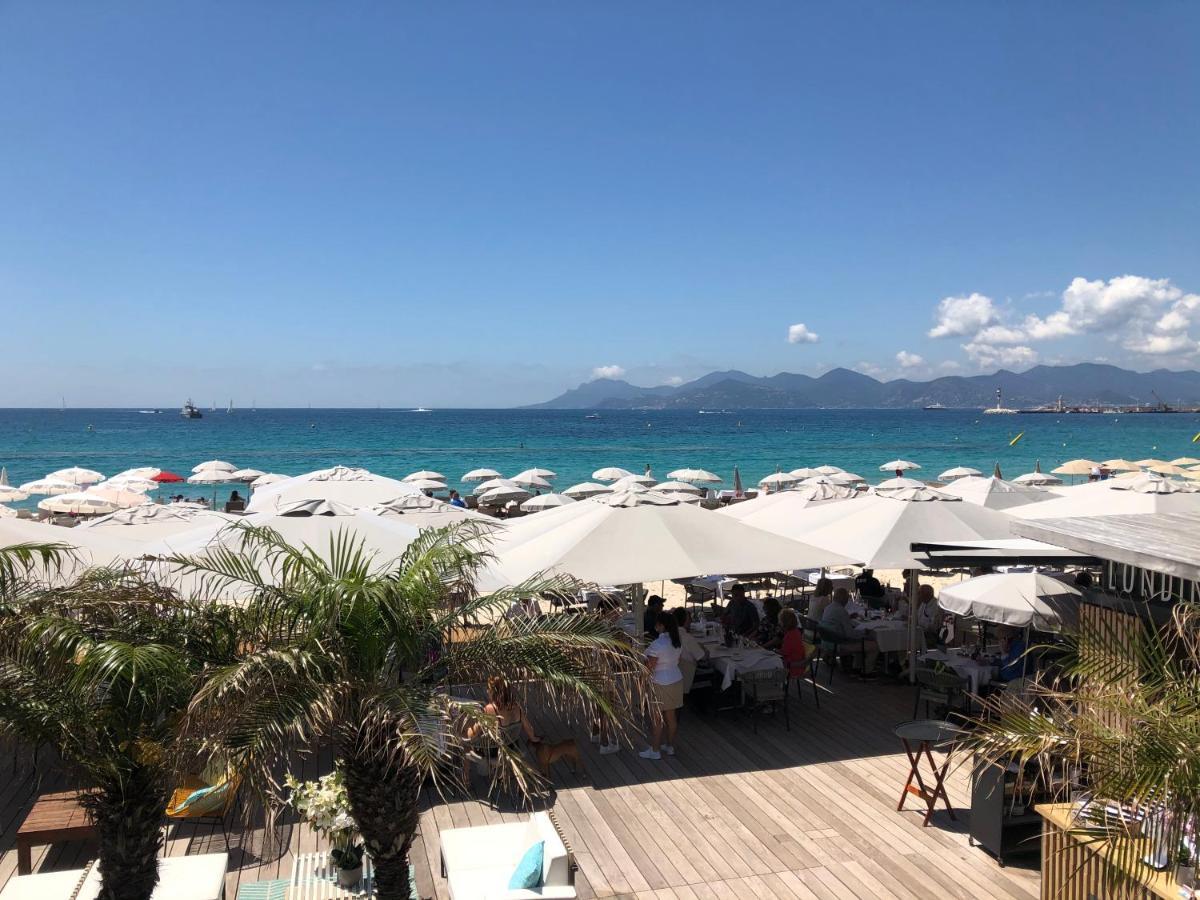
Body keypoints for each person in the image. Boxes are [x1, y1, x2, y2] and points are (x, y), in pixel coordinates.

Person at [463, 676, 540, 780]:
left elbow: (472, 735)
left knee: (465, 742)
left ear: (493, 692)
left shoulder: (488, 709)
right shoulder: (516, 707)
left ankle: (465, 779)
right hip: (511, 747)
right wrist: (534, 739)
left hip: (493, 751)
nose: (487, 691)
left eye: (489, 689)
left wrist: (465, 730)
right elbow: (529, 729)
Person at [641, 612, 684, 760]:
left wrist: (641, 677)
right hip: (676, 680)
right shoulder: (677, 641)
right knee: (671, 716)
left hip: (660, 682)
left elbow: (650, 665)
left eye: (657, 624)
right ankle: (670, 746)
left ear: (661, 625)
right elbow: (678, 660)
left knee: (657, 718)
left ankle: (655, 749)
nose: (655, 626)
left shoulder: (657, 644)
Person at [820, 588, 880, 678]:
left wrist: (848, 618)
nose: (847, 601)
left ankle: (856, 668)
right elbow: (850, 634)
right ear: (843, 599)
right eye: (847, 599)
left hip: (827, 643)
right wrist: (865, 632)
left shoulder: (828, 608)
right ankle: (866, 672)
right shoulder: (841, 610)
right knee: (875, 645)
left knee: (860, 639)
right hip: (837, 645)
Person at [672, 607, 706, 693]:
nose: (691, 621)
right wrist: (705, 650)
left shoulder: (670, 634)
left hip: (675, 673)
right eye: (689, 619)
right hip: (688, 674)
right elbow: (703, 657)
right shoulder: (687, 637)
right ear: (685, 621)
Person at [777, 608, 808, 682]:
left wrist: (775, 651)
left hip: (792, 666)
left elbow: (785, 652)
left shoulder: (789, 636)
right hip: (798, 662)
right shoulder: (796, 631)